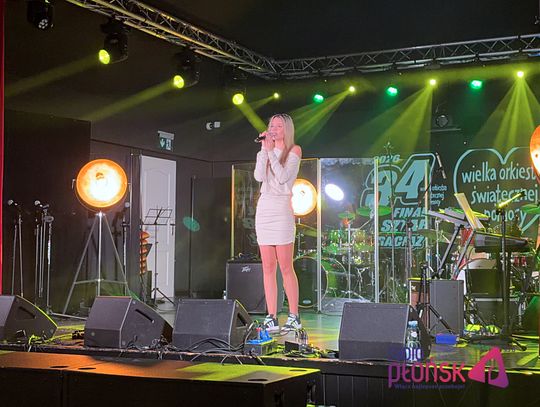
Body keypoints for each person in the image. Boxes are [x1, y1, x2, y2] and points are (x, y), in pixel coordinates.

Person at [253, 113, 302, 332]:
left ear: (286, 129)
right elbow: (258, 176)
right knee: (268, 267)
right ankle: (271, 316)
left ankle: (294, 315)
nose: (273, 129)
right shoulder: (265, 150)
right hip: (265, 208)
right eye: (271, 125)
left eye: (278, 126)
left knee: (285, 266)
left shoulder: (294, 151)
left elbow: (282, 177)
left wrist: (272, 151)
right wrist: (265, 151)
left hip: (282, 209)